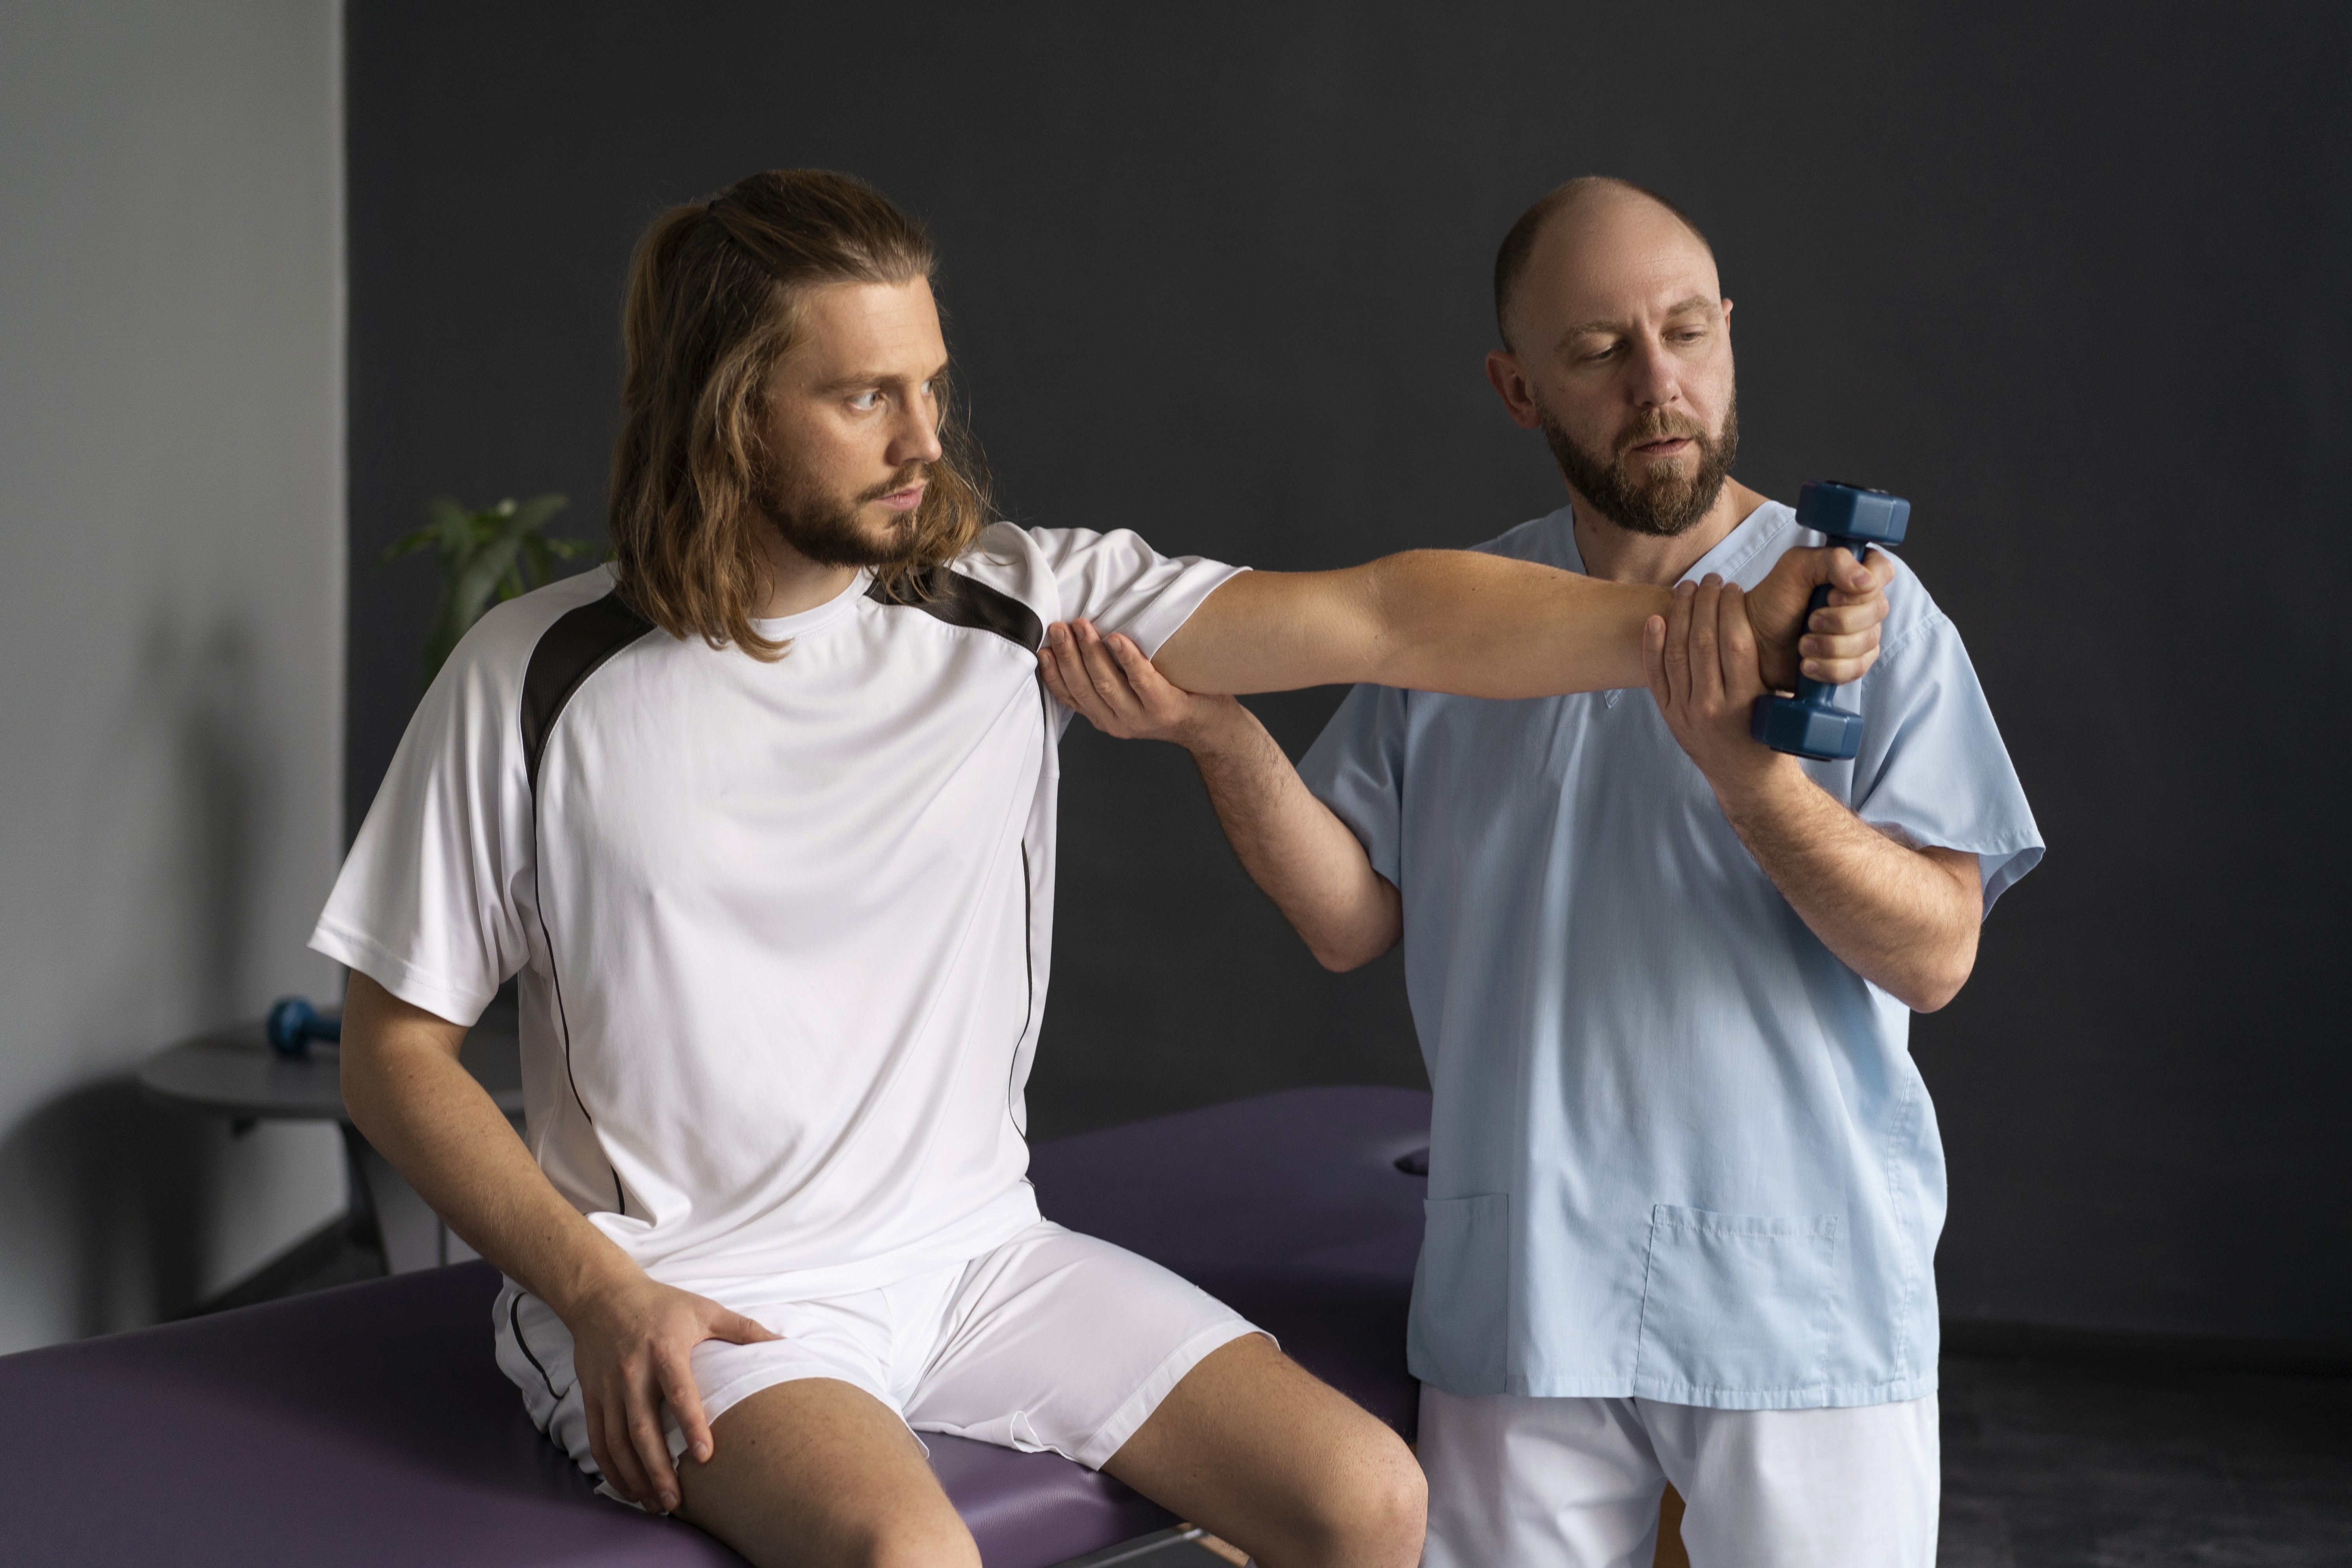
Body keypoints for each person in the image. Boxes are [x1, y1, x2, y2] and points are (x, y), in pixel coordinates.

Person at [317, 168, 1891, 1568]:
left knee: (1365, 1499)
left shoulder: (1018, 606)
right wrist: (594, 1293)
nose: (926, 443)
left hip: (978, 1254)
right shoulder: (538, 678)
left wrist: (1725, 624)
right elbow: (394, 1054)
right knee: (904, 1556)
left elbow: (1393, 615)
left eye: (933, 387)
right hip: (701, 1289)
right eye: (867, 398)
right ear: (732, 413)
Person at [1039, 176, 2042, 1568]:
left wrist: (1746, 773)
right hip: (1520, 1301)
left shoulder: (1864, 617)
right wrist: (1215, 732)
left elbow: (1935, 953)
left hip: (1796, 1298)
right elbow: (1348, 922)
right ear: (1519, 387)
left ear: (1731, 337)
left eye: (1687, 332)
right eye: (1598, 351)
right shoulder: (1465, 623)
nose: (1657, 382)